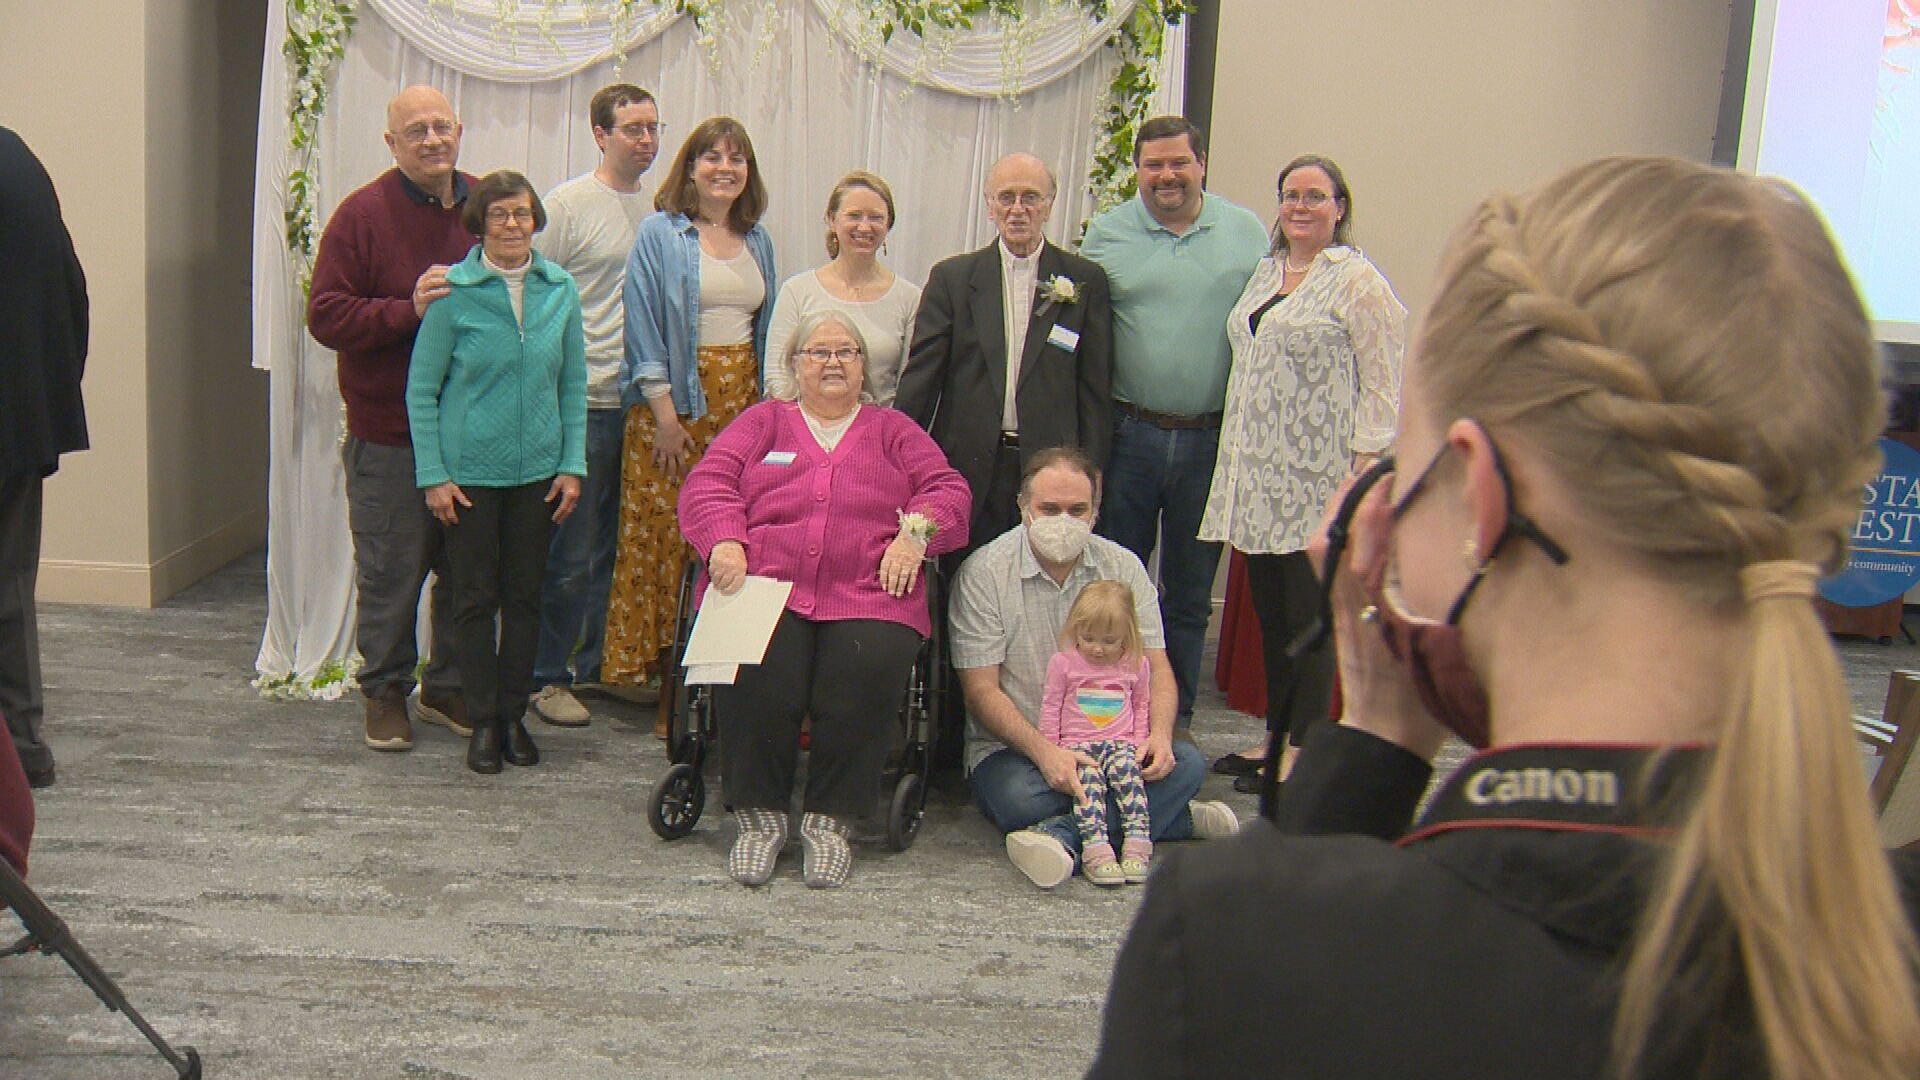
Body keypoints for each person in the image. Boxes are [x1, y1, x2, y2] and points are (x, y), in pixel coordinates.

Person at [1089, 157, 1920, 1079]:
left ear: (1477, 497)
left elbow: (1313, 979)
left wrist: (1361, 756)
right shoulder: (1875, 946)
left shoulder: (1236, 942)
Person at [678, 312, 970, 888]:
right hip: (763, 583)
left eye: (846, 352)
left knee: (866, 662)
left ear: (865, 366)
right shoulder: (764, 422)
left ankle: (829, 821)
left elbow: (948, 490)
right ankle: (760, 818)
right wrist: (725, 541)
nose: (833, 362)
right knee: (755, 665)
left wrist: (916, 536)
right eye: (818, 352)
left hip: (868, 589)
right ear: (794, 365)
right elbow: (709, 483)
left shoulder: (895, 431)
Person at [1200, 155, 1405, 789]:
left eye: (1316, 196)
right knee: (1273, 620)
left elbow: (1383, 375)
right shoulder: (1266, 274)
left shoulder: (1357, 280)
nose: (1301, 206)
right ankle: (1272, 741)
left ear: (1340, 207)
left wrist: (1365, 466)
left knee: (1310, 623)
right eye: (1291, 195)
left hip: (1317, 479)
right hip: (1258, 478)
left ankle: (1303, 753)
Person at [950, 447, 1239, 890]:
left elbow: (1157, 667)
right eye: (1049, 508)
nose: (1063, 520)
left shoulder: (1123, 566)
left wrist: (1160, 736)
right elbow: (981, 691)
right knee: (1020, 799)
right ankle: (1165, 818)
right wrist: (1047, 754)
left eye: (1076, 509)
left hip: (1118, 746)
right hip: (1021, 753)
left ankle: (1061, 838)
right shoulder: (984, 573)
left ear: (1096, 511)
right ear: (1023, 506)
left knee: (1187, 764)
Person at [1080, 116, 1270, 731]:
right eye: (1153, 165)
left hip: (1212, 441)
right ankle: (1116, 713)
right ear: (1138, 170)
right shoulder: (1106, 235)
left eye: (1178, 163)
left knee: (1189, 596)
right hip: (1128, 435)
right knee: (1118, 586)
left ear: (1202, 164)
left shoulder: (1245, 233)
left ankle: (1176, 720)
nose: (1166, 176)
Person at [308, 85, 473, 752]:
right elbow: (326, 316)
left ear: (459, 130)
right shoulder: (362, 216)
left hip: (474, 436)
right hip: (390, 438)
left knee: (466, 575)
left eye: (441, 126)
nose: (432, 139)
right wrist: (407, 309)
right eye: (416, 131)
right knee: (392, 571)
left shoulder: (488, 205)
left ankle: (448, 685)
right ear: (391, 143)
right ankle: (384, 691)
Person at [408, 172, 587, 774]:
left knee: (526, 598)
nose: (513, 225)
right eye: (500, 215)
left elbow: (572, 384)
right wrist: (434, 474)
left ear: (537, 219)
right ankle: (482, 720)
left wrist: (572, 464)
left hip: (538, 476)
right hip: (469, 479)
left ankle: (514, 716)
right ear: (479, 224)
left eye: (523, 213)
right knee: (474, 600)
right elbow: (421, 391)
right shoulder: (452, 293)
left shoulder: (560, 289)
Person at [602, 117, 776, 737]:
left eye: (737, 158)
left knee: (726, 541)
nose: (724, 168)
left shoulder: (760, 240)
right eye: (712, 157)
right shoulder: (660, 233)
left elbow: (768, 332)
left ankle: (715, 682)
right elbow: (642, 324)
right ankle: (668, 690)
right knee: (669, 543)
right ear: (691, 166)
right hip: (673, 409)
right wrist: (666, 415)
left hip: (743, 406)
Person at [895, 152, 1113, 561]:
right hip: (968, 462)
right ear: (989, 205)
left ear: (1049, 204)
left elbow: (1094, 387)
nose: (1018, 209)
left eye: (1030, 197)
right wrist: (898, 451)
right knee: (962, 574)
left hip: (1051, 469)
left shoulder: (1084, 280)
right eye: (1006, 197)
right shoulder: (953, 279)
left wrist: (1093, 468)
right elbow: (923, 378)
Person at [527, 83, 662, 729]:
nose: (646, 139)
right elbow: (530, 292)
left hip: (640, 402)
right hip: (582, 402)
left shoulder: (663, 213)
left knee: (618, 545)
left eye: (653, 128)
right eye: (633, 128)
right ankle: (545, 676)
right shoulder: (570, 205)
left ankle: (596, 666)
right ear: (601, 134)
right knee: (570, 548)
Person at [0, 125, 87, 791]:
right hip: (20, 416)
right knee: (8, 589)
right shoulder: (18, 158)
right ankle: (21, 745)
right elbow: (70, 289)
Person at [763, 171, 921, 407]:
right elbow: (777, 377)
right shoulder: (797, 291)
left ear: (888, 225)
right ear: (832, 220)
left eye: (876, 217)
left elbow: (910, 386)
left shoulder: (909, 298)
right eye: (854, 215)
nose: (865, 227)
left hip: (879, 432)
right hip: (805, 431)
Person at [1039, 581, 1154, 887]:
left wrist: (1140, 741)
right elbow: (1051, 706)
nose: (1097, 648)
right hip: (1077, 747)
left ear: (1127, 637)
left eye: (1109, 640)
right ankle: (1096, 850)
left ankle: (1137, 843)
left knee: (1129, 777)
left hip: (1121, 743)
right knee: (1088, 787)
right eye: (1088, 638)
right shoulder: (1063, 663)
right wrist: (1051, 749)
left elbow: (1141, 703)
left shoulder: (1137, 664)